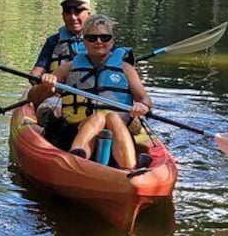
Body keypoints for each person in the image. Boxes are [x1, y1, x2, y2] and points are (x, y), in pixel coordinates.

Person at [28, 14, 153, 170]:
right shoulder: (69, 67)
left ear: (112, 41)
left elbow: (145, 99)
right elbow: (33, 97)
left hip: (117, 131)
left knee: (112, 117)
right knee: (99, 118)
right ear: (84, 41)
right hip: (73, 130)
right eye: (92, 38)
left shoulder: (126, 69)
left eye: (104, 37)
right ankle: (77, 160)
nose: (98, 41)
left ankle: (130, 170)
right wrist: (45, 85)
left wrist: (143, 106)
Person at [30, 0, 92, 126]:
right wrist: (39, 79)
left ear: (89, 14)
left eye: (78, 11)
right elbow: (37, 70)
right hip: (57, 96)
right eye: (68, 12)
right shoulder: (53, 41)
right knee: (47, 112)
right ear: (63, 16)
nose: (73, 17)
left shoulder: (100, 40)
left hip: (93, 96)